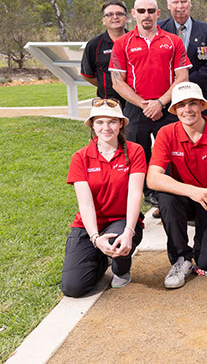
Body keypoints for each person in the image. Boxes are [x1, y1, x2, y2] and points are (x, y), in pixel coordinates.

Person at [146, 82, 207, 289]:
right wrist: (193, 191)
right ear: (175, 110)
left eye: (192, 103)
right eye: (181, 105)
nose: (187, 110)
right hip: (187, 199)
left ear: (202, 105)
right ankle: (181, 258)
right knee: (166, 197)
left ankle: (203, 242)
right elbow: (152, 179)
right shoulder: (166, 133)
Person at [109, 0, 190, 208]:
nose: (147, 15)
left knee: (172, 153)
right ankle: (146, 194)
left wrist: (160, 103)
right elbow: (118, 83)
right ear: (134, 14)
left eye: (151, 11)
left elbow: (182, 77)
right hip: (137, 110)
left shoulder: (173, 41)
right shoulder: (122, 44)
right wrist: (144, 104)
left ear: (158, 13)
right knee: (138, 153)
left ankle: (172, 194)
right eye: (142, 11)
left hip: (167, 107)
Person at [61, 98, 145, 297]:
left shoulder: (135, 151)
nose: (105, 127)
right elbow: (86, 204)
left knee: (118, 240)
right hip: (88, 225)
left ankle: (121, 269)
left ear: (121, 124)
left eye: (112, 121)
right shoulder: (80, 157)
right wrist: (95, 238)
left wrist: (129, 231)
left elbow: (135, 194)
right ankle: (100, 256)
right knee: (73, 288)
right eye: (99, 122)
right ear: (92, 125)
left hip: (120, 221)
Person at [158, 0, 207, 105]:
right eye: (175, 2)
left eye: (184, 2)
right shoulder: (158, 30)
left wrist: (186, 81)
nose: (180, 6)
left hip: (200, 95)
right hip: (166, 96)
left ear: (190, 3)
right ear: (168, 4)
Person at [81, 0, 129, 107]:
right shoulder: (94, 45)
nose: (115, 17)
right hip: (109, 104)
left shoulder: (137, 40)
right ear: (104, 20)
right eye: (109, 14)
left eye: (119, 14)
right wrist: (108, 85)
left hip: (136, 104)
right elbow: (87, 75)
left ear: (126, 18)